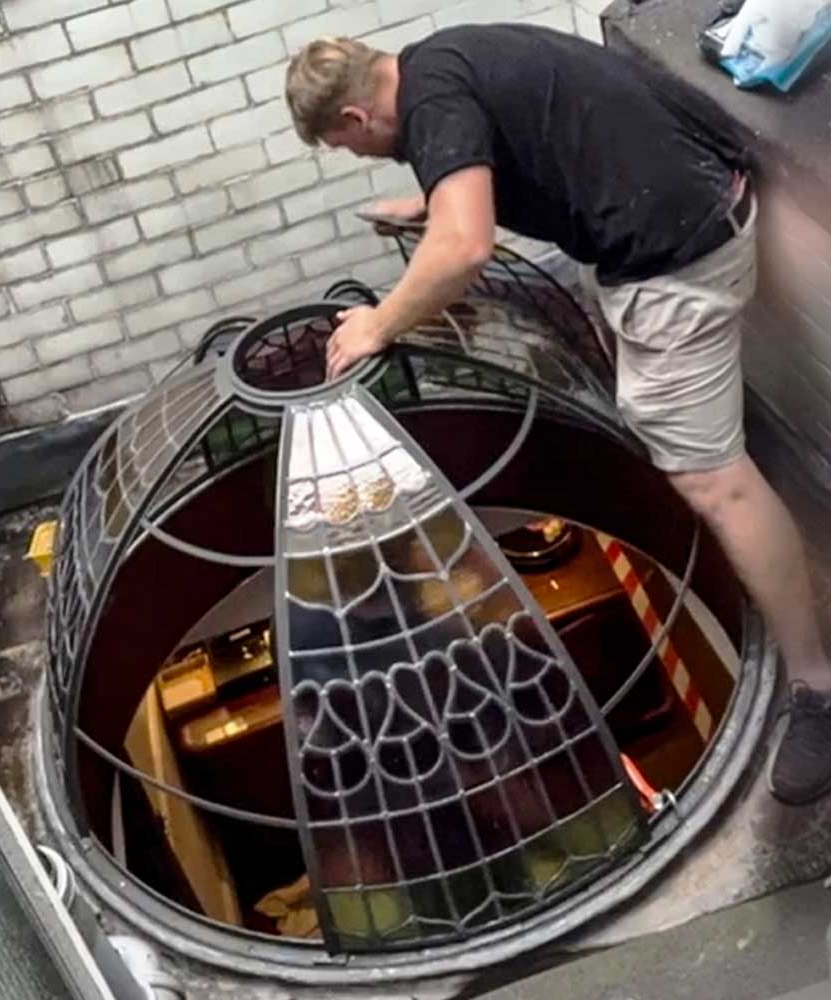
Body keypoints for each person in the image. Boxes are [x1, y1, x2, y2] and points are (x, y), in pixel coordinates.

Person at [283, 26, 831, 805]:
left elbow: (466, 248)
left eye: (346, 148)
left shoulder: (431, 104)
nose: (358, 156)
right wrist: (434, 196)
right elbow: (495, 147)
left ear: (353, 122)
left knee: (712, 480)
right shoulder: (442, 59)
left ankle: (818, 685)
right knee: (663, 413)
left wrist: (380, 322)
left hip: (677, 251)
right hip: (701, 184)